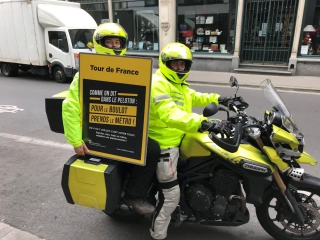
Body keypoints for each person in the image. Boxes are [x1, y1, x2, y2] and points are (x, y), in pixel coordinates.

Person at [62, 22, 160, 215]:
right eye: (110, 43)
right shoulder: (86, 73)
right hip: (98, 134)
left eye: (118, 43)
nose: (115, 46)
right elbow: (70, 106)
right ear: (100, 44)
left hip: (124, 129)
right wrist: (75, 140)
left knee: (153, 147)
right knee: (152, 150)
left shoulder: (131, 69)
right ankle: (134, 195)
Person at [148, 42, 231, 240]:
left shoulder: (178, 84)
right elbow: (170, 114)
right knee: (170, 197)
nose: (179, 68)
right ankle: (157, 234)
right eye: (175, 64)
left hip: (180, 138)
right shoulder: (158, 83)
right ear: (165, 63)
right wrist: (205, 123)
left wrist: (220, 99)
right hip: (164, 144)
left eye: (183, 65)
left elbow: (194, 97)